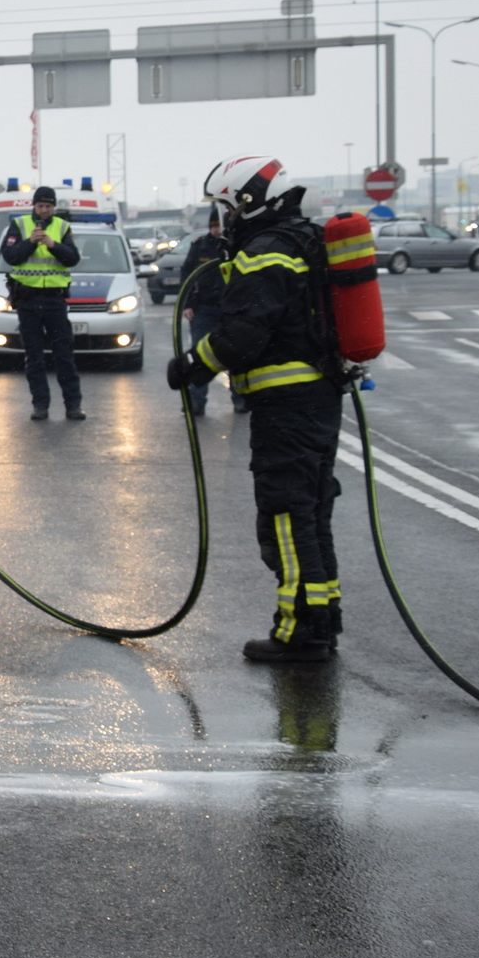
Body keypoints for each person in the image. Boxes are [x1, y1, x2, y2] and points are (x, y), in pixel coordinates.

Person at [165, 156, 344, 662]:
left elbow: (242, 335)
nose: (223, 220)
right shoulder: (302, 241)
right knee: (310, 516)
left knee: (285, 520)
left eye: (225, 207)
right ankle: (323, 621)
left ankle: (299, 633)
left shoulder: (265, 252)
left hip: (286, 407)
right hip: (316, 403)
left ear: (248, 202)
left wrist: (189, 366)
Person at [0, 186, 85, 421]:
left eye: (48, 206)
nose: (44, 210)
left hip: (54, 300)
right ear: (34, 206)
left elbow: (73, 258)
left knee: (64, 355)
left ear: (53, 207)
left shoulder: (62, 227)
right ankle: (40, 405)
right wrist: (30, 242)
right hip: (27, 300)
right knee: (34, 357)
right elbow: (10, 256)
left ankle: (73, 405)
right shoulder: (19, 225)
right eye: (40, 206)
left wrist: (53, 245)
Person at [181, 205, 248, 418]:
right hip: (204, 309)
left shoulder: (233, 245)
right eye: (213, 226)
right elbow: (187, 276)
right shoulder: (200, 246)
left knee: (235, 355)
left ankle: (240, 399)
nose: (216, 230)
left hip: (230, 309)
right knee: (199, 356)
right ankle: (196, 402)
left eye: (219, 225)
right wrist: (188, 304)